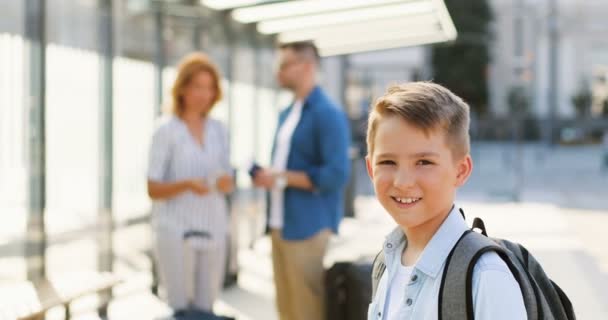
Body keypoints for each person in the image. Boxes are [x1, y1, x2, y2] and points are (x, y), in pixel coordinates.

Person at [366, 82, 526, 319]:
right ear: (370, 168)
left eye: (424, 162)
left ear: (460, 171)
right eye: (388, 162)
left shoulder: (485, 276)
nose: (403, 181)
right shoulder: (386, 263)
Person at [252, 41, 350, 320]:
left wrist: (281, 177)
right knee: (286, 310)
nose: (277, 72)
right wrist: (271, 176)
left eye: (284, 65)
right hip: (280, 224)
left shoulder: (327, 113)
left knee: (307, 310)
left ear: (307, 67)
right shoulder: (288, 112)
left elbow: (336, 174)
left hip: (308, 226)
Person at [147, 52, 234, 312]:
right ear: (182, 88)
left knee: (207, 308)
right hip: (176, 231)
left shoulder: (219, 130)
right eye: (197, 86)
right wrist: (186, 185)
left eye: (209, 88)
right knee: (180, 308)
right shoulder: (165, 130)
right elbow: (152, 188)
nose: (204, 94)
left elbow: (227, 179)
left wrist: (226, 183)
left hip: (213, 227)